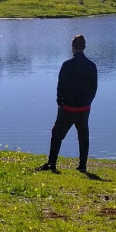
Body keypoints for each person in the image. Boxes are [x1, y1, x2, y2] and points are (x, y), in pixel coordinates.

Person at [37, 34, 98, 173]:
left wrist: (60, 102)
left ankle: (52, 163)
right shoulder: (92, 66)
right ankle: (82, 165)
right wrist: (88, 101)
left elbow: (61, 86)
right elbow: (94, 88)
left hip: (68, 107)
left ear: (73, 47)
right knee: (83, 136)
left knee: (57, 134)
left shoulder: (66, 65)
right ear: (85, 47)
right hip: (84, 107)